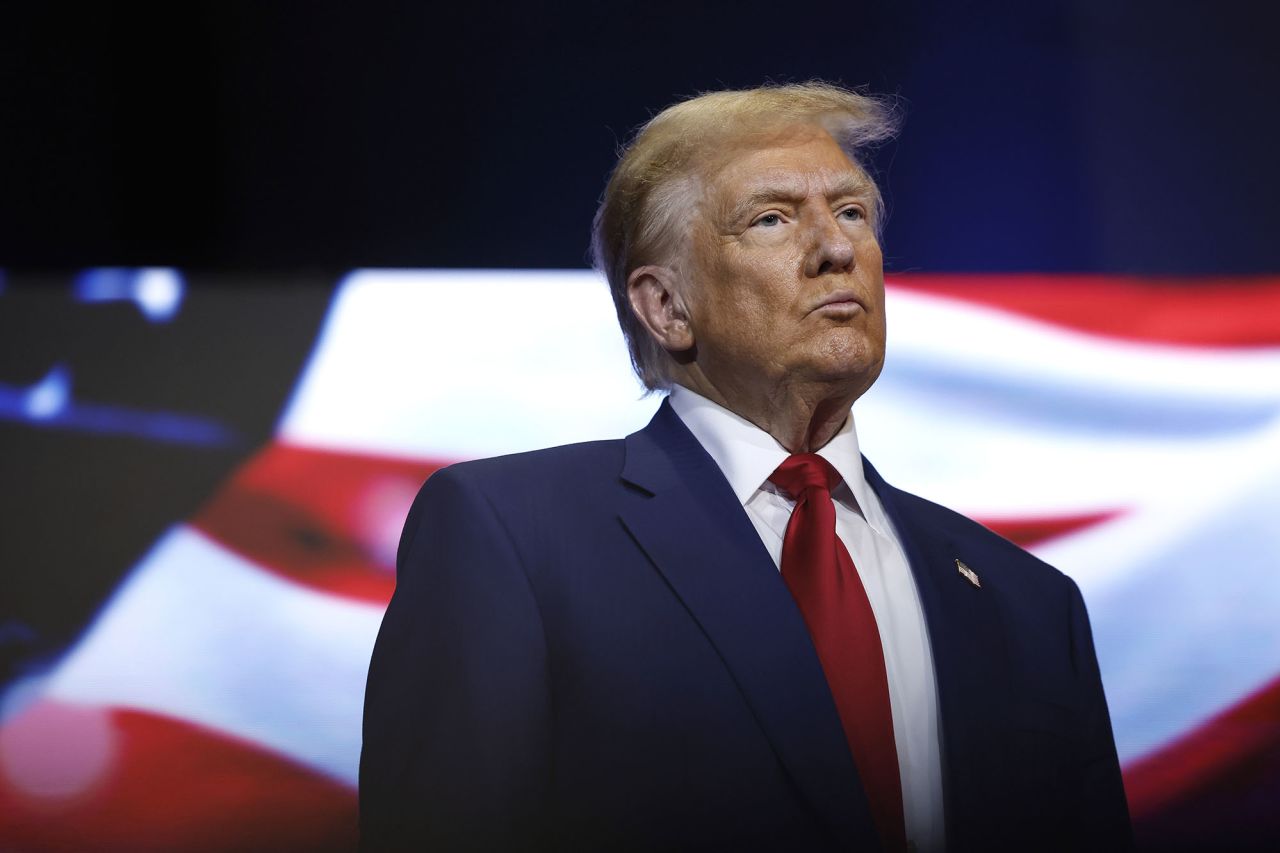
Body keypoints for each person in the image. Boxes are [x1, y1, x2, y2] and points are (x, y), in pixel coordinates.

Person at [359, 82, 1133, 852]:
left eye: (853, 212)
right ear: (666, 306)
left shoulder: (1029, 604)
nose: (837, 249)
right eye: (771, 219)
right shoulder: (517, 539)